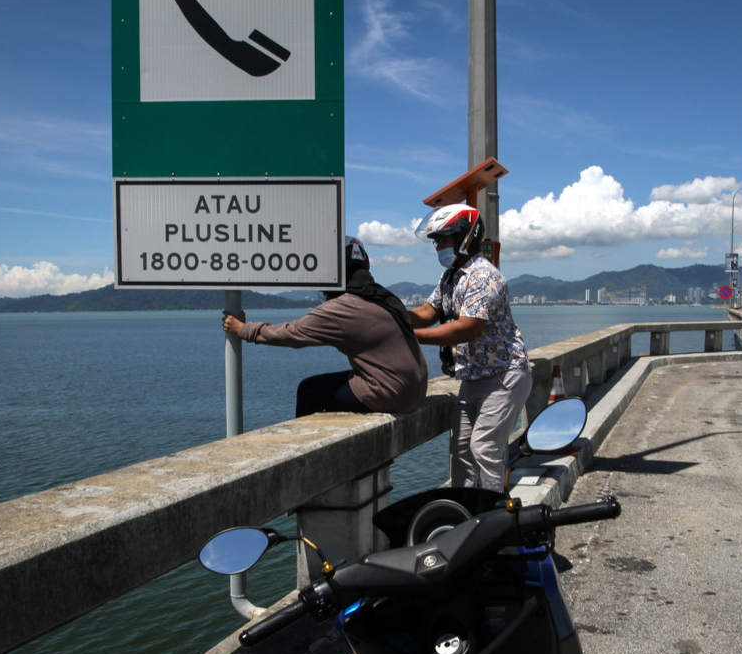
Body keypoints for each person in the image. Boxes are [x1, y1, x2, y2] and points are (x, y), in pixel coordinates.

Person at [222, 237, 428, 417]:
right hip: (416, 392)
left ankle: (306, 459)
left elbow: (291, 334)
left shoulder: (343, 308)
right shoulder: (385, 297)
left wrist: (243, 329)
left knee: (308, 390)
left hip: (390, 395)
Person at [409, 204, 532, 491]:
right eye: (436, 241)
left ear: (466, 237)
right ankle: (465, 510)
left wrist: (413, 337)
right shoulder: (451, 275)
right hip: (472, 376)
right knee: (461, 451)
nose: (438, 246)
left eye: (443, 239)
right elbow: (429, 311)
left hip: (504, 375)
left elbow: (467, 327)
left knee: (484, 449)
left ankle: (493, 514)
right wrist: (393, 318)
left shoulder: (484, 276)